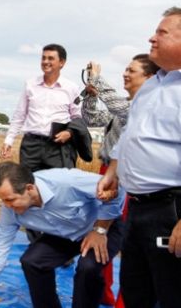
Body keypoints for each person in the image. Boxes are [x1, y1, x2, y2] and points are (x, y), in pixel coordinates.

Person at [0, 161, 124, 308]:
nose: (7, 206)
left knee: (88, 268)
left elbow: (117, 191)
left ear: (29, 188)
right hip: (64, 233)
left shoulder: (66, 181)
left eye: (10, 199)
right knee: (32, 261)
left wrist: (100, 229)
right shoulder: (10, 210)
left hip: (103, 228)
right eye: (3, 200)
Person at [98, 7, 181, 308]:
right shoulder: (152, 87)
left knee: (171, 294)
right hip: (137, 208)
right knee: (135, 290)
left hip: (171, 211)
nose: (152, 37)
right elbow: (130, 137)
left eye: (162, 32)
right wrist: (113, 173)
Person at [82, 54, 158, 306]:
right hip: (107, 172)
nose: (125, 74)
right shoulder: (123, 107)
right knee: (102, 229)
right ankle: (103, 291)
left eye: (131, 71)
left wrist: (96, 78)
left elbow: (116, 106)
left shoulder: (143, 106)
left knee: (124, 236)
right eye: (125, 69)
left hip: (126, 176)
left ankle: (124, 300)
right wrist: (92, 94)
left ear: (148, 78)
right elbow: (93, 119)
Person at [1, 44, 82, 172]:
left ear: (62, 62)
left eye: (50, 58)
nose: (45, 62)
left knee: (55, 186)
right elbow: (20, 115)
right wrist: (9, 140)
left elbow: (77, 118)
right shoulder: (30, 85)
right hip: (30, 146)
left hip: (57, 146)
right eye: (43, 58)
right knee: (28, 186)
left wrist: (70, 133)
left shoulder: (72, 88)